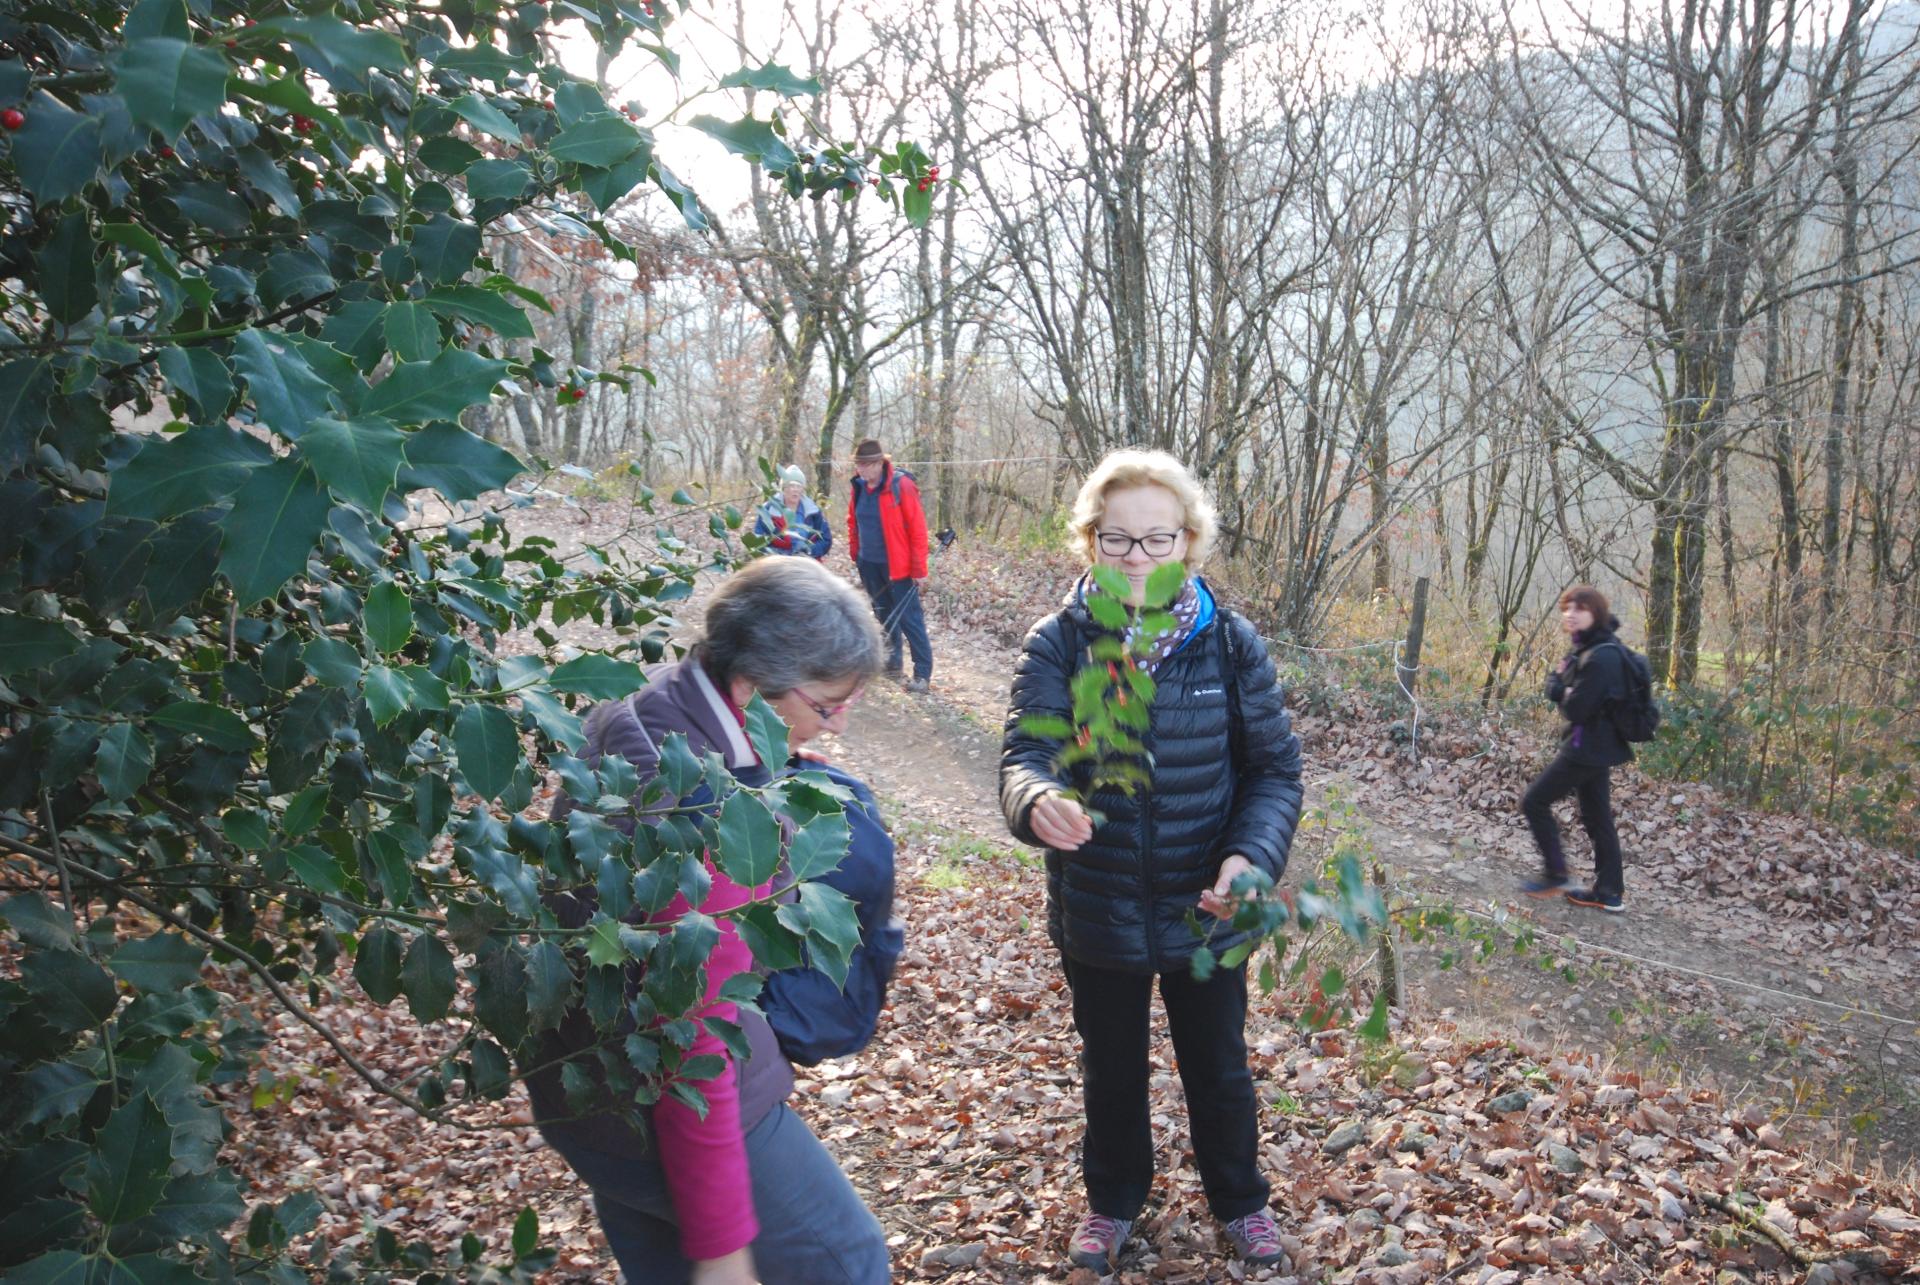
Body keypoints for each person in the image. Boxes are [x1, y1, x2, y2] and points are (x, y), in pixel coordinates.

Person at [530, 557, 897, 1285]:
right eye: (828, 703)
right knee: (848, 1262)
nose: (842, 719)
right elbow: (690, 1025)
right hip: (670, 1108)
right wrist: (723, 1243)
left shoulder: (648, 710)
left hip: (579, 1091)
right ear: (749, 686)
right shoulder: (707, 806)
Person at [999, 448, 1304, 1273]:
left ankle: (1241, 1203)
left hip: (1207, 907)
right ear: (1089, 541)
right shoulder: (1059, 642)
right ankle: (1113, 1202)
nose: (1136, 559)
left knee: (1220, 1068)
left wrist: (1251, 859)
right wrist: (1035, 801)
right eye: (1117, 540)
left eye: (1156, 541)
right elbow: (1029, 751)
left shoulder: (1232, 645)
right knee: (1112, 1071)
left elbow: (1275, 770)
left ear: (1189, 543)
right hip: (1099, 904)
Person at [1520, 584, 1631, 913]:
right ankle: (1609, 892)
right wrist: (1564, 687)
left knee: (1534, 801)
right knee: (1597, 817)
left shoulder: (1601, 657)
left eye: (1579, 609)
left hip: (1585, 747)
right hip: (1597, 746)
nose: (1570, 614)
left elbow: (1576, 707)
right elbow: (1575, 694)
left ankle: (1556, 873)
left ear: (1595, 613)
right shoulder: (1592, 648)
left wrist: (1557, 687)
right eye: (1566, 608)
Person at [846, 438, 932, 693]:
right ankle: (893, 663)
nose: (860, 470)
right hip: (869, 563)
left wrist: (919, 570)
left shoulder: (901, 486)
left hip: (900, 567)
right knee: (883, 613)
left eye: (864, 465)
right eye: (858, 465)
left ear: (878, 464)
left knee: (909, 619)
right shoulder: (859, 486)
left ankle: (922, 674)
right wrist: (855, 552)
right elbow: (853, 520)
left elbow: (918, 530)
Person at [753, 464, 832, 559]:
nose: (795, 489)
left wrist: (809, 550)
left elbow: (826, 540)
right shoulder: (768, 509)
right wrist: (778, 554)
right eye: (791, 485)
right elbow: (757, 540)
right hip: (777, 564)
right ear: (783, 488)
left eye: (799, 486)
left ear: (803, 489)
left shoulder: (813, 511)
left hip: (805, 564)